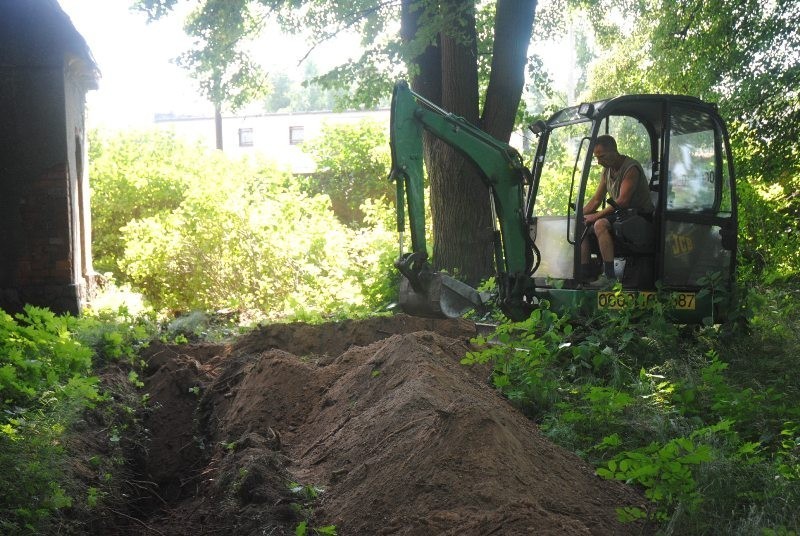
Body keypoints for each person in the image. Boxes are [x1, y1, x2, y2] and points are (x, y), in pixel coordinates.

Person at [581, 134, 654, 287]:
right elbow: (596, 200)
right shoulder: (607, 171)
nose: (599, 161)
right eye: (597, 157)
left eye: (602, 156)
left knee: (599, 224)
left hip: (639, 217)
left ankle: (609, 276)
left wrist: (595, 217)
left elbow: (622, 201)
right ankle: (585, 273)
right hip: (621, 214)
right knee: (580, 224)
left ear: (614, 151)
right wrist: (577, 216)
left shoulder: (631, 168)